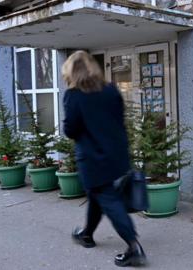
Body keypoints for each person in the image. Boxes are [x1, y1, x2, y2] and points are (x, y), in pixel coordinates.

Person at [62, 51, 146, 267]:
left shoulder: (74, 95)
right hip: (117, 154)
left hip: (93, 159)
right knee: (97, 194)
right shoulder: (110, 90)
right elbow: (119, 119)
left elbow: (70, 130)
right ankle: (87, 234)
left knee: (107, 199)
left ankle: (133, 246)